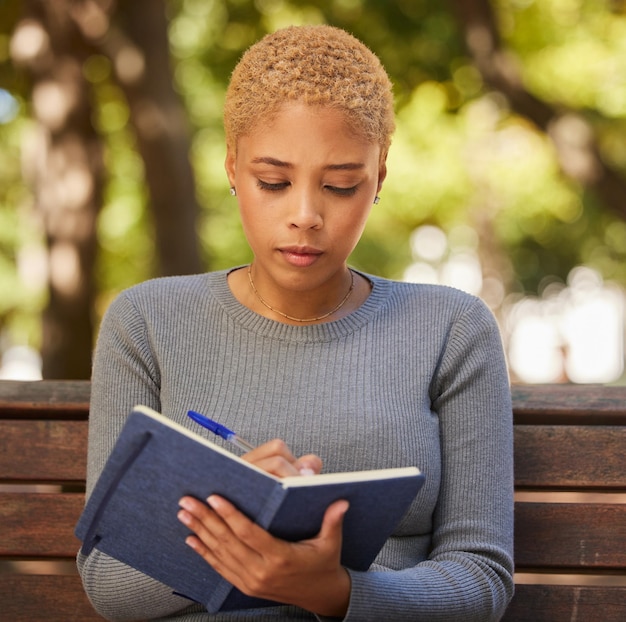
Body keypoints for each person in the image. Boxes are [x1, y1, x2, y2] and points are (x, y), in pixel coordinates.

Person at [78, 24, 514, 622]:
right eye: (273, 182)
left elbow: (481, 579)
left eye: (340, 185)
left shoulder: (451, 330)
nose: (305, 215)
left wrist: (332, 592)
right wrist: (233, 516)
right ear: (232, 168)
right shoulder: (147, 323)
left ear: (379, 178)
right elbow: (109, 584)